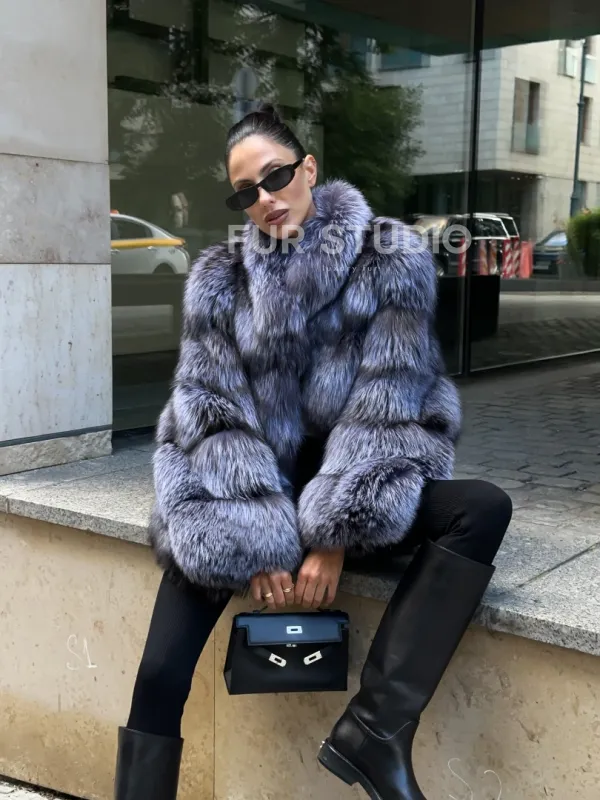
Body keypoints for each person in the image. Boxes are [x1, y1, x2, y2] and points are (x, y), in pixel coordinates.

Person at [113, 103, 512, 800]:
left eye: (276, 177)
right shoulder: (219, 278)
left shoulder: (389, 258)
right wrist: (261, 538)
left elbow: (389, 403)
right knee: (159, 674)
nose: (266, 199)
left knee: (480, 509)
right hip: (242, 492)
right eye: (246, 192)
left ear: (309, 169)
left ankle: (374, 731)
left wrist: (334, 536)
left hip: (350, 482)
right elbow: (209, 412)